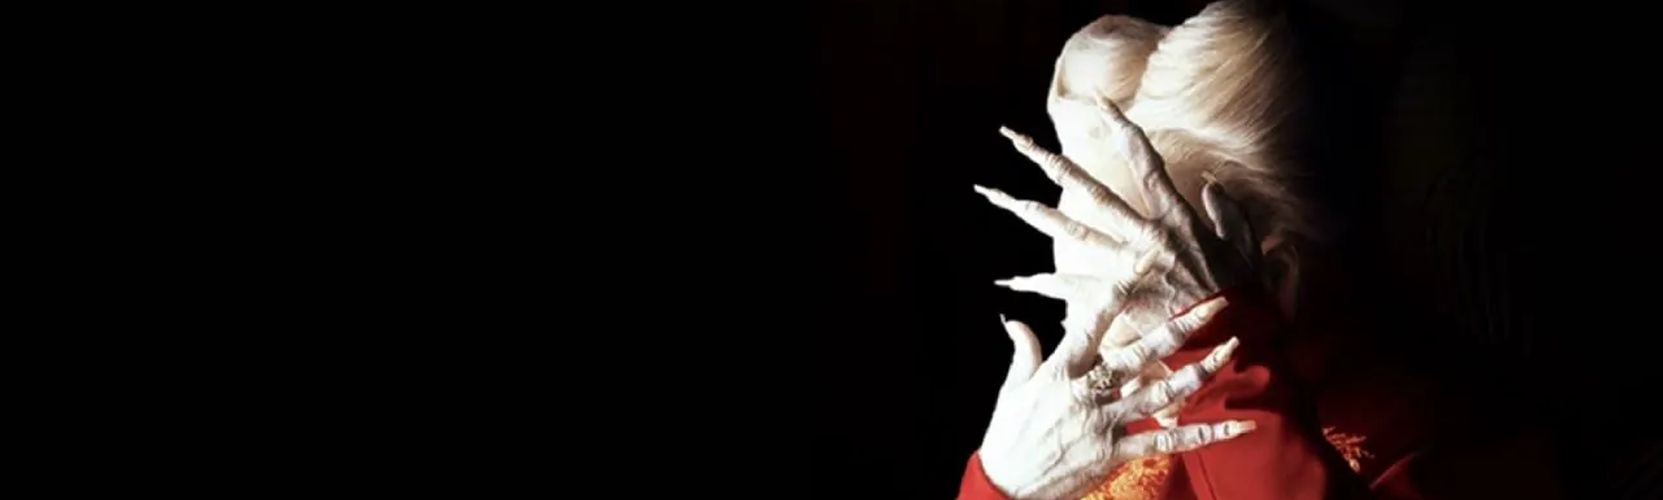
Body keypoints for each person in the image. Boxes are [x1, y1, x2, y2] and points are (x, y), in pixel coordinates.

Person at [957, 2, 1458, 498]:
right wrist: (999, 486)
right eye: (1076, 311)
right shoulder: (1098, 438)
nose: (1096, 379)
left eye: (1137, 327)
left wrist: (1226, 374)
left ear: (1276, 279)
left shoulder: (1432, 443)